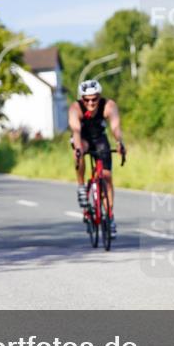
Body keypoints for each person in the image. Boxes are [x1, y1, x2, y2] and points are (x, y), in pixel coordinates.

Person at [68, 79, 125, 238]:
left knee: (107, 177)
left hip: (100, 139)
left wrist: (119, 143)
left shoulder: (108, 106)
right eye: (87, 100)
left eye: (94, 99)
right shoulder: (75, 108)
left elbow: (115, 127)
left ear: (99, 97)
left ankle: (110, 217)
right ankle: (81, 186)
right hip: (83, 139)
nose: (91, 103)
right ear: (82, 99)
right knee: (79, 151)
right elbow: (76, 131)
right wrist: (78, 149)